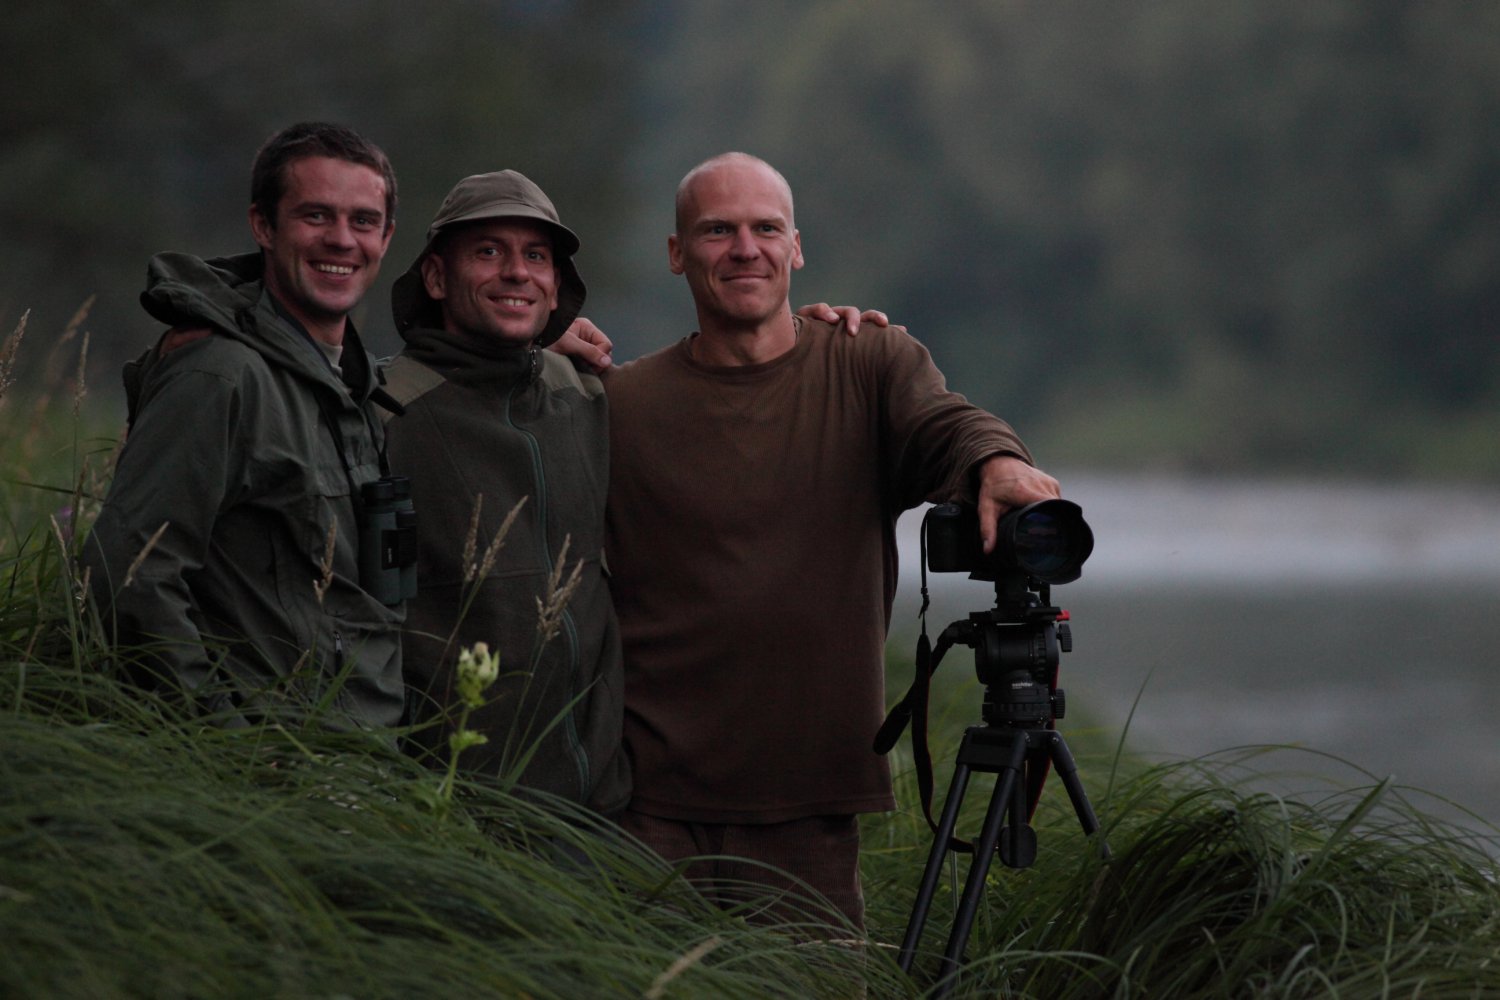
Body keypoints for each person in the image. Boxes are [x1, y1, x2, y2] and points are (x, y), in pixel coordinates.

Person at [603, 152, 1062, 929]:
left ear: (796, 247)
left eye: (765, 228)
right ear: (678, 253)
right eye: (717, 231)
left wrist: (998, 461)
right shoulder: (621, 403)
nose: (745, 248)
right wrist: (546, 366)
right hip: (646, 802)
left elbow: (944, 422)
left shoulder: (870, 365)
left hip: (810, 801)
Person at [83, 122, 407, 730]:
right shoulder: (221, 375)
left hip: (359, 773)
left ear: (386, 238)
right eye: (316, 216)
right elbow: (128, 573)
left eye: (363, 221)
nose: (342, 240)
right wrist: (224, 744)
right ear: (263, 225)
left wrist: (546, 345)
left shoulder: (355, 388)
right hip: (273, 776)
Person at [379, 170, 630, 814]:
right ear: (436, 278)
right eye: (488, 251)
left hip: (597, 812)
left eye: (536, 256)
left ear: (556, 287)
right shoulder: (379, 412)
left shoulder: (589, 396)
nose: (517, 272)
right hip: (446, 804)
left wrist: (816, 338)